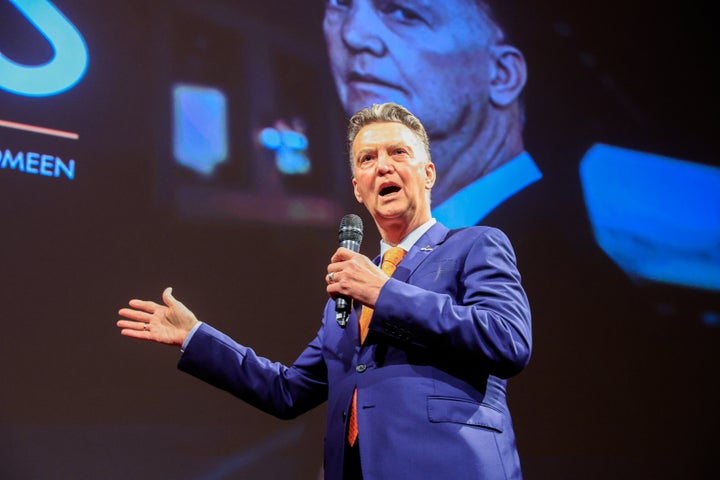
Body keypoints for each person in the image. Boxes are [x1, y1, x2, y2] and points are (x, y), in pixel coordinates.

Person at [117, 102, 532, 479]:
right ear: (357, 188)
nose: (382, 167)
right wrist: (195, 337)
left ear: (428, 174)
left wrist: (384, 292)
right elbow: (287, 391)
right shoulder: (349, 290)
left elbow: (508, 340)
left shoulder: (475, 245)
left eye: (397, 153)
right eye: (367, 159)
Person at [323, 0, 540, 228]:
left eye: (403, 13)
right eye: (342, 4)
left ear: (502, 75)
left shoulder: (555, 239)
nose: (351, 34)